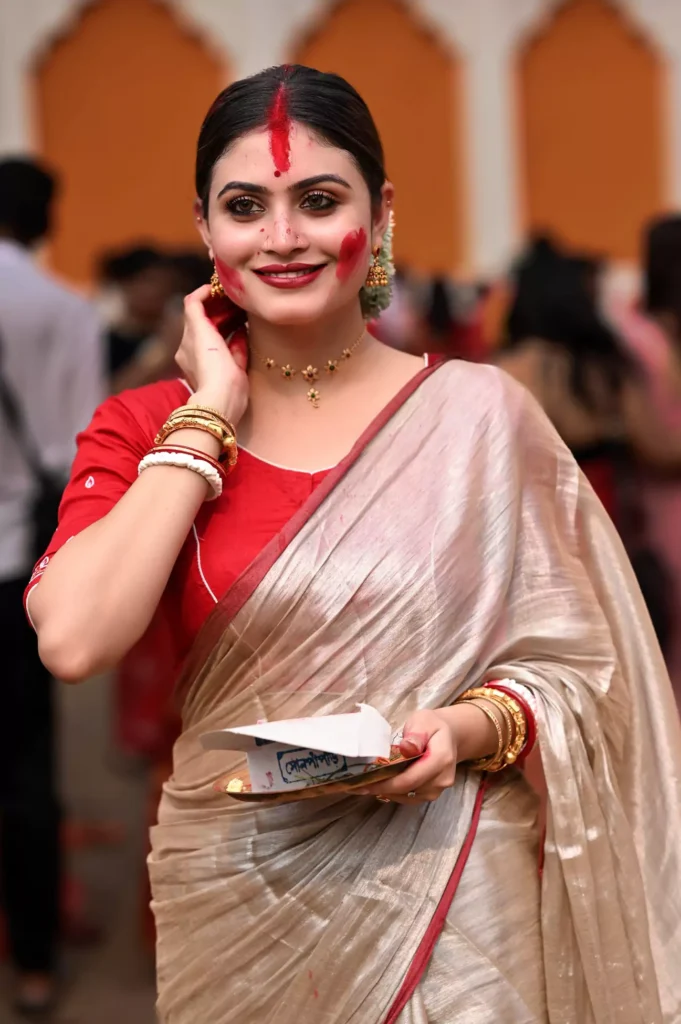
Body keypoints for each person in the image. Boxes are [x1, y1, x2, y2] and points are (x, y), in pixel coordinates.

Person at [27, 66, 681, 1023]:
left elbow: (588, 671)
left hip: (455, 883)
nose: (282, 237)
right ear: (206, 231)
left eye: (317, 200)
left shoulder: (479, 416)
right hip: (238, 899)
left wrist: (463, 729)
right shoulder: (148, 426)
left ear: (377, 216)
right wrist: (210, 413)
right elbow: (75, 640)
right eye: (245, 206)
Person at [0, 157, 103, 1014]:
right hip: (13, 564)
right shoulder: (63, 310)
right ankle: (34, 959)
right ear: (44, 220)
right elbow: (81, 455)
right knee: (27, 763)